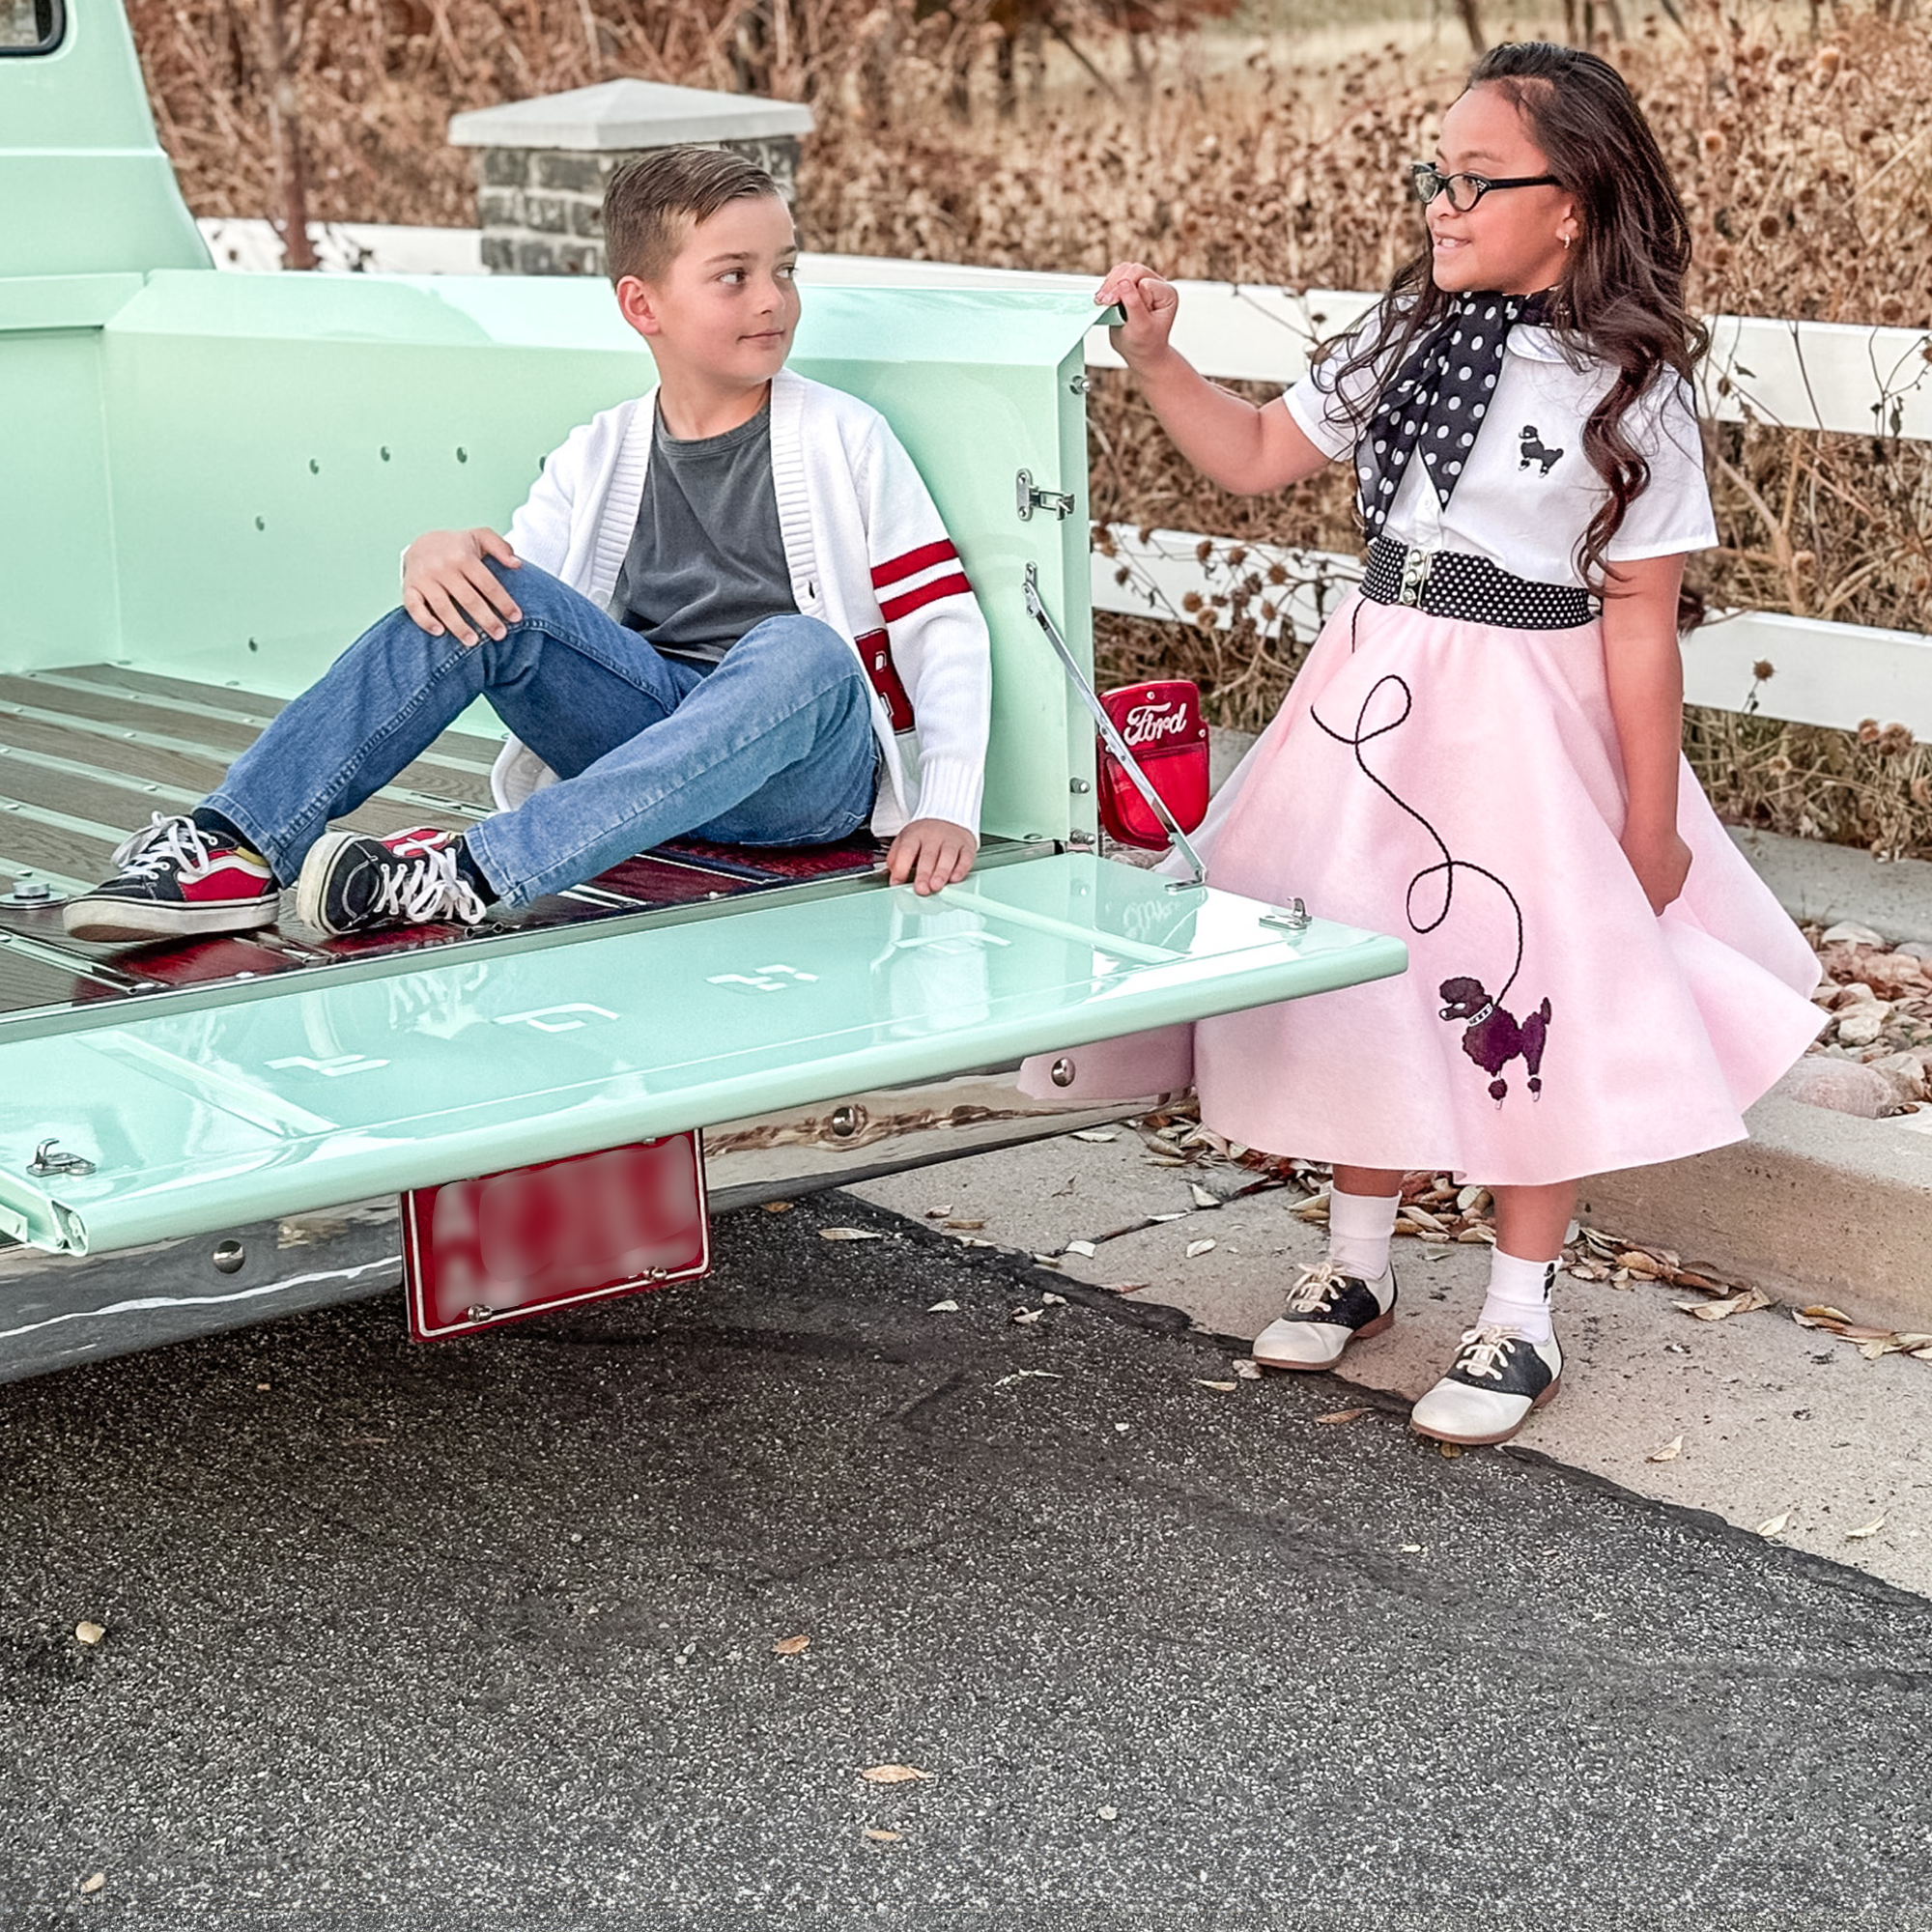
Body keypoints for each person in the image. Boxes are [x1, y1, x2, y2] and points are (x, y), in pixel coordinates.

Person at [1090, 42, 1822, 1447]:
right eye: (1435, 174)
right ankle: (1358, 1264)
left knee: (1523, 985)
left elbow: (1641, 620)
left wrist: (1652, 820)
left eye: (1478, 180)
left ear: (1576, 202)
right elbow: (1251, 455)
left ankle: (1519, 1314)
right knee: (1365, 966)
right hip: (1369, 701)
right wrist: (1158, 357)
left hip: (1526, 727)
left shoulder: (1632, 385)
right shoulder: (1404, 335)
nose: (1442, 201)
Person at [64, 146, 989, 944]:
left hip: (800, 775)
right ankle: (233, 844)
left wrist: (946, 798)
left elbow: (938, 622)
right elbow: (508, 602)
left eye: (785, 270)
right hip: (651, 741)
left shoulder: (844, 436)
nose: (773, 300)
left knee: (803, 648)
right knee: (474, 590)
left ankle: (470, 873)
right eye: (733, 275)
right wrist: (432, 555)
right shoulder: (602, 449)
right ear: (643, 304)